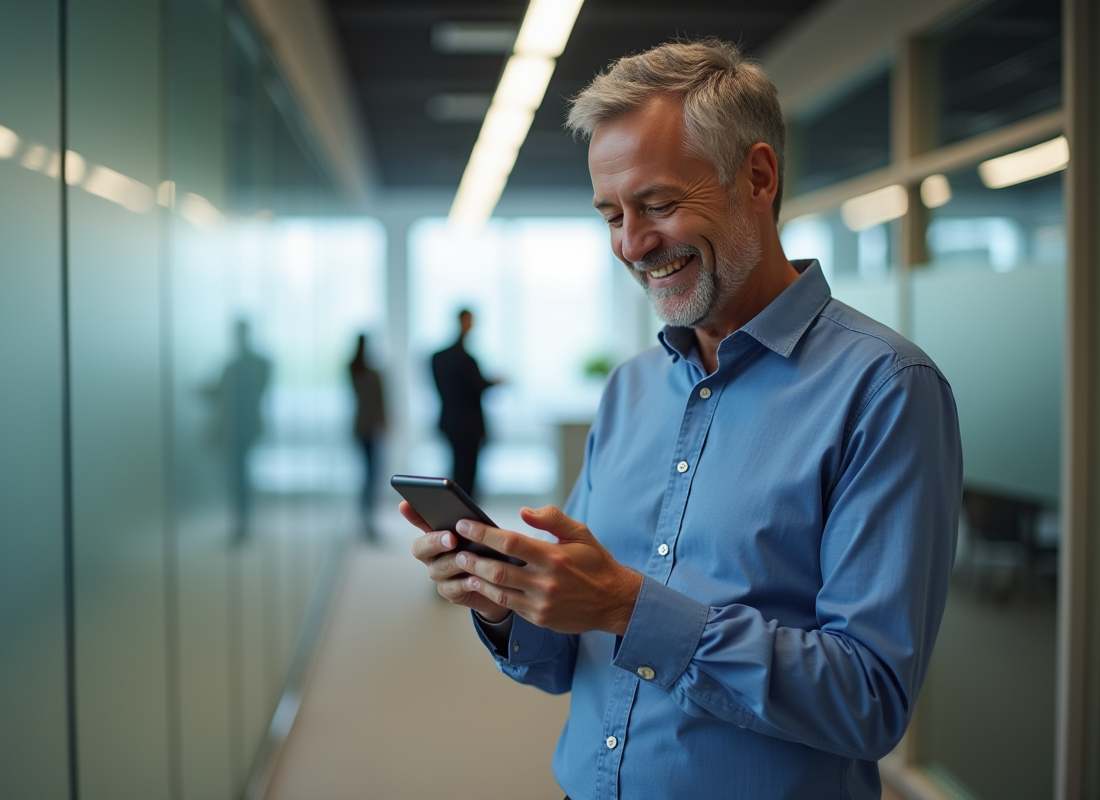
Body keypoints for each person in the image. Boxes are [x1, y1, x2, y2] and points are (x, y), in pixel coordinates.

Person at [404, 38, 962, 800]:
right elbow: (568, 658)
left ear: (757, 177)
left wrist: (627, 606)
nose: (632, 245)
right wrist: (509, 605)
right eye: (611, 215)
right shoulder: (633, 389)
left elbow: (868, 700)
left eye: (659, 204)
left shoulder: (886, 388)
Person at [209, 319, 271, 541]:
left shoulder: (248, 364)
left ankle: (244, 521)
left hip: (242, 426)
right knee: (239, 474)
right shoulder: (257, 363)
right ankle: (243, 521)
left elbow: (223, 393)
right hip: (241, 425)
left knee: (239, 475)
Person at [430, 309, 499, 497]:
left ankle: (458, 512)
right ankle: (466, 515)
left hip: (450, 421)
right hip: (468, 424)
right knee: (467, 473)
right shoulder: (465, 359)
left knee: (458, 470)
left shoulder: (438, 358)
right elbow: (475, 386)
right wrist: (493, 382)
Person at [349, 333, 387, 542]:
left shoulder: (355, 368)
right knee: (371, 474)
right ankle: (366, 519)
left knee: (369, 475)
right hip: (368, 427)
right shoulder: (368, 371)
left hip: (364, 426)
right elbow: (380, 401)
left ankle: (367, 519)